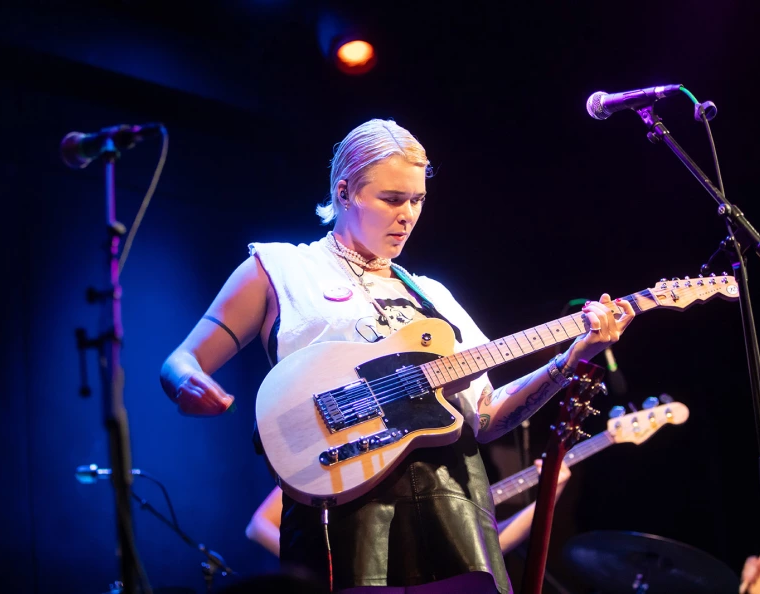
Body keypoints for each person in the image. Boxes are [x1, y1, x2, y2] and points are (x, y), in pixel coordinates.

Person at [159, 118, 634, 593]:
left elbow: (487, 416)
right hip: (343, 499)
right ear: (344, 192)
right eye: (392, 199)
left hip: (452, 500)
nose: (407, 215)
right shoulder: (280, 268)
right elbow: (182, 359)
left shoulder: (433, 295)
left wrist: (571, 359)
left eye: (418, 200)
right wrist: (186, 381)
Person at [245, 461, 572, 558]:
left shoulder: (443, 468)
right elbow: (260, 524)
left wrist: (550, 490)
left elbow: (492, 547)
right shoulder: (347, 454)